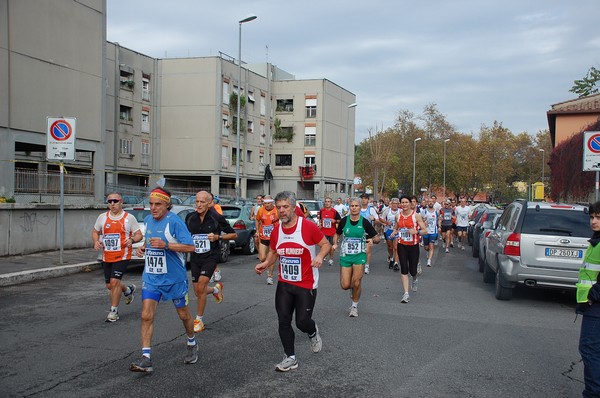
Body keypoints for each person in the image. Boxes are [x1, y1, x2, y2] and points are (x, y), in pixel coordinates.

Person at [255, 191, 330, 372]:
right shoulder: (276, 230)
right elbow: (274, 252)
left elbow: (325, 244)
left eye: (285, 207)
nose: (282, 210)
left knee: (302, 322)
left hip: (306, 284)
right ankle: (290, 357)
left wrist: (320, 256)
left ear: (294, 207)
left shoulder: (307, 227)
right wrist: (266, 263)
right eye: (279, 207)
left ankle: (312, 332)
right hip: (285, 284)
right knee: (283, 321)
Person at [129, 187, 197, 373]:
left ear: (167, 204)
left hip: (174, 279)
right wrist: (143, 248)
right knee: (146, 315)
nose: (153, 208)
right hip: (152, 277)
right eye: (151, 204)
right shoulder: (149, 220)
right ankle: (146, 358)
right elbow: (150, 240)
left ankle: (191, 342)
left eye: (157, 204)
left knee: (183, 315)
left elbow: (191, 247)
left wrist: (167, 245)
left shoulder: (175, 222)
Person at [185, 191, 237, 333]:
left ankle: (199, 320)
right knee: (197, 291)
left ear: (209, 203)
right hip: (195, 257)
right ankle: (216, 290)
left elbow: (234, 234)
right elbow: (184, 235)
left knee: (201, 285)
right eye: (197, 201)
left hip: (211, 256)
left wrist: (217, 237)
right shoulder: (190, 218)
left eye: (202, 202)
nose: (199, 204)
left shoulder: (216, 217)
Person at [92, 192, 142, 322]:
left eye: (115, 201)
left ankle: (113, 311)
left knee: (114, 282)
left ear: (121, 202)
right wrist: (96, 241)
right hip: (107, 255)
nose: (112, 204)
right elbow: (95, 231)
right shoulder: (102, 217)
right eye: (109, 202)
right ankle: (127, 290)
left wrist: (132, 240)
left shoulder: (129, 218)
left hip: (123, 255)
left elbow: (139, 235)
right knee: (110, 285)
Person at [333, 197, 380, 317]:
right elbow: (337, 234)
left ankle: (354, 306)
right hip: (346, 256)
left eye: (356, 206)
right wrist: (335, 243)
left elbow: (377, 238)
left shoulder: (364, 222)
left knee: (357, 282)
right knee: (345, 285)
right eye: (352, 206)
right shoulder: (344, 221)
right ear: (349, 207)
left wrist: (371, 240)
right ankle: (352, 290)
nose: (354, 208)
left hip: (359, 256)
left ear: (360, 207)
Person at [577, 201, 600, 397]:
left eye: (599, 217)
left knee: (589, 349)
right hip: (592, 305)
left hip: (596, 307)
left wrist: (594, 295)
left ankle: (592, 394)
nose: (594, 221)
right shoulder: (596, 240)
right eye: (592, 217)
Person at [391, 195, 427, 303]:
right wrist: (394, 232)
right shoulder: (398, 216)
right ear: (400, 204)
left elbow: (425, 230)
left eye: (406, 202)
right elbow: (396, 228)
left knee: (413, 270)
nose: (404, 204)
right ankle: (406, 294)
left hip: (413, 245)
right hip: (402, 244)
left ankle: (415, 279)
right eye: (402, 202)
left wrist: (417, 232)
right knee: (404, 268)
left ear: (410, 203)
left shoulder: (416, 216)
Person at [256, 195, 279, 284]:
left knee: (271, 256)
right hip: (264, 236)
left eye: (268, 203)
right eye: (265, 203)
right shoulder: (261, 210)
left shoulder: (276, 210)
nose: (267, 205)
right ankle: (266, 263)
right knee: (262, 257)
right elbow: (257, 220)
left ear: (272, 203)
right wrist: (257, 231)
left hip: (274, 237)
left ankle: (270, 276)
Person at [318, 197, 341, 266]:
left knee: (331, 246)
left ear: (331, 203)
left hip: (332, 232)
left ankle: (331, 259)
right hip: (323, 231)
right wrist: (320, 224)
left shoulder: (334, 211)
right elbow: (320, 219)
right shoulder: (322, 211)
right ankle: (324, 256)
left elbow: (339, 220)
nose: (327, 203)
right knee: (322, 245)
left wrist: (334, 221)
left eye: (328, 202)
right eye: (326, 201)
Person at [359, 193, 379, 274]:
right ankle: (359, 264)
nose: (363, 200)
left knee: (368, 250)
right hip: (358, 232)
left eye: (365, 198)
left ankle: (367, 266)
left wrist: (373, 218)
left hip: (368, 233)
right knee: (359, 250)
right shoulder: (357, 208)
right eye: (362, 198)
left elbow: (378, 220)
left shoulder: (371, 209)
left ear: (368, 200)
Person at [379, 197, 400, 270]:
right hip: (388, 231)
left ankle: (396, 263)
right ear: (391, 204)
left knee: (396, 247)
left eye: (396, 204)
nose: (395, 205)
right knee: (390, 247)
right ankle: (391, 258)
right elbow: (381, 218)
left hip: (397, 231)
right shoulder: (387, 211)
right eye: (393, 203)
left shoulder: (400, 211)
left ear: (398, 204)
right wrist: (386, 222)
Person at [421, 197, 439, 267]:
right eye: (429, 201)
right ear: (427, 203)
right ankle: (427, 252)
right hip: (426, 231)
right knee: (426, 247)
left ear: (433, 202)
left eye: (432, 201)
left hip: (433, 231)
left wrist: (439, 226)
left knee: (431, 245)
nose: (430, 203)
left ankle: (429, 261)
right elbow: (421, 220)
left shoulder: (436, 211)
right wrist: (423, 222)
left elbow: (438, 220)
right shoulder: (424, 211)